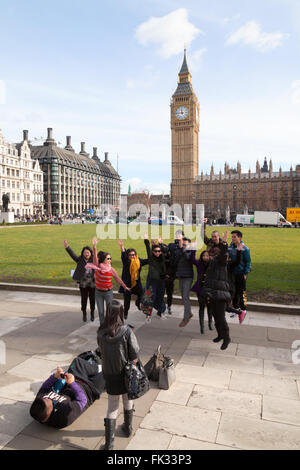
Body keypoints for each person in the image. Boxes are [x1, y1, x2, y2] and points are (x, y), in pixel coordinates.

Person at [97, 300, 140, 450]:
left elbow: (100, 351)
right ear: (121, 312)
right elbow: (134, 352)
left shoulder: (101, 332)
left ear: (108, 312)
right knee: (128, 400)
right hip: (126, 373)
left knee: (112, 407)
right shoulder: (127, 331)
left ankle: (109, 445)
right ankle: (128, 428)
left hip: (110, 374)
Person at [29, 353, 105, 429]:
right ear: (49, 412)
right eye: (48, 400)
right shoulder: (63, 417)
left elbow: (45, 387)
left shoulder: (39, 403)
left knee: (77, 361)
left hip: (74, 379)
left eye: (45, 398)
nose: (47, 397)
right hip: (90, 389)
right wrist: (72, 383)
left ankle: (98, 366)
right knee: (108, 372)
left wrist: (55, 376)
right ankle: (100, 367)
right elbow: (82, 400)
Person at [85, 237, 130, 325]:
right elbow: (95, 257)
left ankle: (109, 326)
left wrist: (124, 286)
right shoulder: (97, 266)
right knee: (101, 312)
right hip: (98, 292)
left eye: (110, 258)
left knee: (109, 312)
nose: (110, 260)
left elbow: (117, 279)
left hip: (108, 292)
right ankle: (102, 327)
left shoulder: (111, 269)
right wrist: (94, 246)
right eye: (108, 259)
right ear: (103, 260)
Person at [202, 231, 232, 351]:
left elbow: (223, 255)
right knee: (215, 315)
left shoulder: (221, 262)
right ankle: (220, 335)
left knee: (220, 317)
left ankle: (227, 338)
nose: (209, 256)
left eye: (211, 255)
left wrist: (224, 243)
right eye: (209, 255)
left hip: (221, 294)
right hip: (213, 293)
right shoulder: (211, 264)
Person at [64, 240, 95, 322]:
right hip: (83, 284)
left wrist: (94, 246)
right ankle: (84, 313)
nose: (86, 254)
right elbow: (73, 255)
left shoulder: (94, 260)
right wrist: (67, 247)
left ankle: (92, 313)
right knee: (84, 300)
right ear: (83, 253)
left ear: (91, 253)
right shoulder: (80, 260)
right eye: (85, 252)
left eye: (88, 252)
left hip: (92, 284)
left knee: (92, 300)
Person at [118, 239, 148, 320]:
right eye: (130, 255)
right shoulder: (126, 261)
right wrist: (121, 246)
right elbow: (123, 255)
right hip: (128, 284)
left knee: (142, 295)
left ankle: (137, 303)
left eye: (134, 254)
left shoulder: (139, 261)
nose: (132, 256)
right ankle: (125, 313)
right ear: (128, 256)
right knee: (126, 302)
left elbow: (148, 260)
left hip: (137, 283)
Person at [142, 233, 167, 322]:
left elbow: (165, 250)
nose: (157, 253)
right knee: (149, 297)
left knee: (160, 296)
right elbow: (148, 249)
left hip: (161, 280)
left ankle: (161, 311)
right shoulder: (151, 258)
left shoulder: (162, 258)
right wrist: (146, 240)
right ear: (153, 252)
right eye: (155, 251)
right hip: (152, 280)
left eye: (159, 251)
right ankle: (147, 315)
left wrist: (160, 243)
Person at [228, 230, 251, 317]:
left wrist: (245, 273)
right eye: (232, 237)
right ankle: (236, 308)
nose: (233, 238)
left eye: (234, 237)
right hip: (232, 274)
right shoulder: (230, 247)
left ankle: (243, 309)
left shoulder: (245, 249)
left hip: (241, 274)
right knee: (233, 291)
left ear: (239, 237)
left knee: (242, 292)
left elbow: (248, 262)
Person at [190, 249, 214, 334]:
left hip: (209, 288)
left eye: (207, 256)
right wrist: (193, 250)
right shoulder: (199, 263)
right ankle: (202, 326)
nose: (205, 257)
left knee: (210, 307)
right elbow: (192, 259)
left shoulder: (212, 264)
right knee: (201, 307)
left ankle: (210, 323)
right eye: (203, 256)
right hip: (200, 288)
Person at [161, 230, 184, 315]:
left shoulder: (185, 245)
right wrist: (161, 244)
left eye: (180, 235)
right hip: (169, 270)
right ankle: (163, 307)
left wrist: (181, 247)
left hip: (176, 271)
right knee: (165, 289)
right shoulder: (172, 245)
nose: (178, 237)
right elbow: (166, 250)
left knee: (170, 290)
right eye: (177, 235)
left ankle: (169, 306)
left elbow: (186, 256)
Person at [174, 237, 194, 328]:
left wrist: (183, 248)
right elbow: (176, 259)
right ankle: (189, 313)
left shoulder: (190, 252)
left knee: (185, 297)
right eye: (183, 244)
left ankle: (186, 318)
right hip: (181, 276)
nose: (183, 246)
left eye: (185, 244)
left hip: (188, 277)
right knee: (183, 296)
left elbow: (188, 258)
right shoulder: (180, 251)